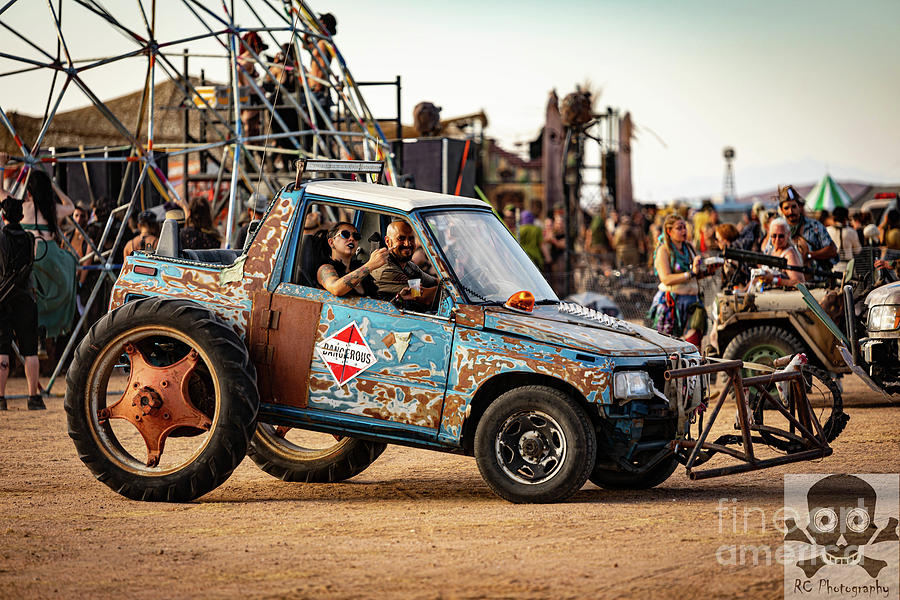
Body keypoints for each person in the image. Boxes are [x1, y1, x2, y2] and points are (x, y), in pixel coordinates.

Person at [0, 195, 42, 410]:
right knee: (30, 350)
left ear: (3, 215)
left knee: (2, 349)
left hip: (3, 298)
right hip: (25, 298)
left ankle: (1, 398)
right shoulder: (29, 238)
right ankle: (34, 398)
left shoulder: (0, 238)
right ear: (21, 216)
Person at [651, 214, 709, 347]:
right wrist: (690, 273)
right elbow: (665, 278)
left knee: (693, 346)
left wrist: (706, 272)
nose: (684, 231)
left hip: (693, 303)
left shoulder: (689, 247)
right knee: (669, 347)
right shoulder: (664, 250)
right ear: (669, 231)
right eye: (679, 228)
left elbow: (695, 274)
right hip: (672, 304)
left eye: (685, 227)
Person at [764, 185, 836, 276]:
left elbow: (832, 250)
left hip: (817, 281)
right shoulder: (778, 229)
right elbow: (768, 254)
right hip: (786, 282)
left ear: (799, 207)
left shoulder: (814, 226)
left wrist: (810, 255)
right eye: (786, 208)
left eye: (794, 207)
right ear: (781, 209)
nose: (791, 211)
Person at [371, 220, 439, 307]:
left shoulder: (408, 265)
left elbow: (434, 282)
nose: (407, 244)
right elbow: (421, 296)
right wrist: (453, 290)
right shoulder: (387, 269)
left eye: (411, 238)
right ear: (388, 241)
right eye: (401, 238)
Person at [315, 222, 387, 297]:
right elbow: (336, 289)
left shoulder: (359, 272)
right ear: (331, 242)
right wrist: (370, 265)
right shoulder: (324, 269)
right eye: (345, 234)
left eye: (356, 236)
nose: (352, 239)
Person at [759, 218, 805, 288]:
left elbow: (799, 282)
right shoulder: (771, 250)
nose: (777, 240)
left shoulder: (789, 254)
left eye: (781, 236)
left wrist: (774, 279)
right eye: (774, 236)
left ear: (788, 235)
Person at [826, 206, 861, 271]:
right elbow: (857, 250)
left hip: (833, 267)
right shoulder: (851, 231)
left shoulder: (828, 230)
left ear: (834, 217)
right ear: (845, 218)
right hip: (848, 267)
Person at [715, 223, 750, 288]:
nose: (716, 242)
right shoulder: (725, 255)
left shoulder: (736, 252)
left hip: (739, 289)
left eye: (717, 239)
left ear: (725, 240)